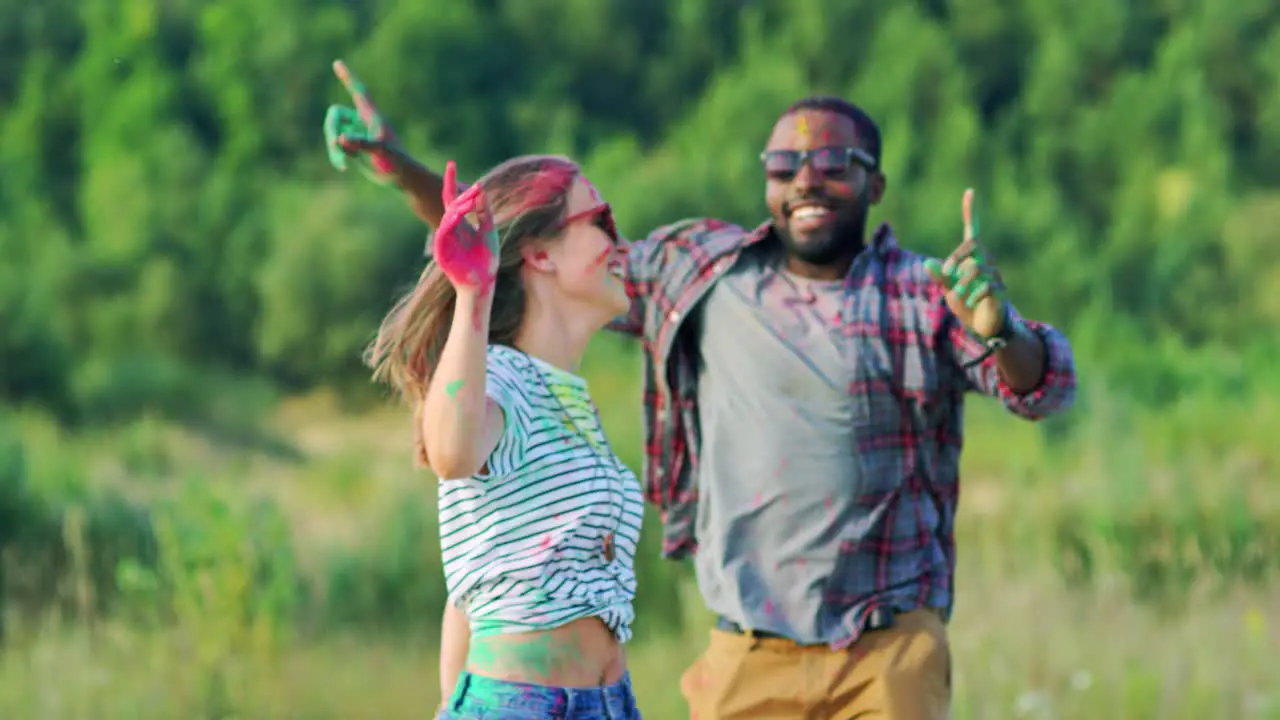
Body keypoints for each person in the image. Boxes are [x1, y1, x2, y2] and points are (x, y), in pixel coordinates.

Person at [328, 61, 1077, 719]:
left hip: (887, 651)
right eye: (786, 163)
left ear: (876, 183)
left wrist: (1002, 328)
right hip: (747, 651)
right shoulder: (700, 274)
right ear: (766, 179)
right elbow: (522, 239)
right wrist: (407, 176)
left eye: (834, 161)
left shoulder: (922, 294)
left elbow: (1041, 388)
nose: (807, 178)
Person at [356, 146, 645, 719]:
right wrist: (473, 293)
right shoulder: (501, 377)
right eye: (601, 222)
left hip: (607, 704)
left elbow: (479, 579)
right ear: (540, 253)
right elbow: (451, 453)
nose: (622, 243)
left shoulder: (568, 397)